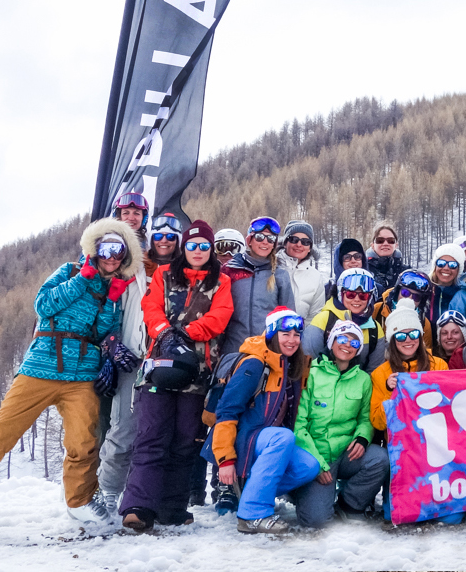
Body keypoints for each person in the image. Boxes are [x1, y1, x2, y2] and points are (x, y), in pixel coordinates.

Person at [0, 219, 139, 528]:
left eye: (119, 251)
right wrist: (82, 280)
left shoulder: (114, 292)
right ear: (95, 249)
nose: (112, 257)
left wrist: (111, 302)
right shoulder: (69, 272)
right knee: (0, 435)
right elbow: (43, 305)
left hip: (81, 376)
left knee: (83, 443)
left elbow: (104, 333)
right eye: (106, 249)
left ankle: (79, 500)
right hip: (40, 368)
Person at [119, 219, 234, 531]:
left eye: (204, 246)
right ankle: (139, 506)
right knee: (151, 436)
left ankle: (172, 508)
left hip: (198, 371)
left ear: (211, 250)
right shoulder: (165, 274)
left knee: (185, 441)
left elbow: (220, 316)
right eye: (192, 245)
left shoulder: (221, 281)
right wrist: (165, 333)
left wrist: (186, 333)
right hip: (158, 367)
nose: (197, 251)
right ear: (184, 247)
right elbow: (151, 307)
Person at [95, 211, 182, 513]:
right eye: (159, 236)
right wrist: (111, 343)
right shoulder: (131, 270)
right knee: (123, 429)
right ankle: (108, 490)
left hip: (166, 362)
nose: (164, 241)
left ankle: (148, 496)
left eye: (171, 237)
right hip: (131, 357)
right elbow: (108, 307)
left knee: (160, 432)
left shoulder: (183, 274)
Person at [210, 307, 319, 534]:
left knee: (308, 466)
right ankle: (252, 514)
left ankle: (251, 493)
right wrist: (225, 459)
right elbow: (227, 411)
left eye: (297, 335)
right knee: (283, 437)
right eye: (285, 334)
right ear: (271, 334)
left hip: (269, 442)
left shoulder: (293, 365)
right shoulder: (254, 364)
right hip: (245, 440)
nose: (292, 340)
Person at [290, 320, 389, 526]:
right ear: (332, 341)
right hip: (314, 455)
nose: (347, 345)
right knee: (316, 521)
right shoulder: (311, 372)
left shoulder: (363, 380)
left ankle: (349, 504)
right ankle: (301, 491)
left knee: (380, 459)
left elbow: (365, 418)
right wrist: (317, 465)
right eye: (342, 339)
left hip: (344, 453)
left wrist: (362, 438)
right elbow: (298, 424)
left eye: (354, 343)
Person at [369, 304, 448, 437]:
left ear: (420, 336)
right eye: (401, 336)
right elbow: (378, 423)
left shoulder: (439, 366)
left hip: (434, 439)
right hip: (401, 443)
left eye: (413, 334)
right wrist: (390, 393)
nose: (408, 340)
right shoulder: (380, 373)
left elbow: (449, 407)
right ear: (392, 340)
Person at [220, 218, 294, 355]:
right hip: (233, 348)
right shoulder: (230, 270)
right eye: (260, 237)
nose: (265, 242)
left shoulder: (280, 275)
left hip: (267, 350)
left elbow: (288, 318)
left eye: (271, 239)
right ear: (249, 240)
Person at [304, 268, 387, 370]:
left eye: (363, 296)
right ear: (341, 294)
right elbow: (308, 363)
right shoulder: (323, 320)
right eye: (350, 295)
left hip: (358, 380)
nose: (357, 299)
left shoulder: (374, 329)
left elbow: (374, 370)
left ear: (369, 298)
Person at [278, 220, 327, 320]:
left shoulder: (315, 277)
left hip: (301, 329)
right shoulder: (270, 268)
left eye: (305, 242)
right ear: (285, 243)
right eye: (294, 239)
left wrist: (305, 331)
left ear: (310, 248)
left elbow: (315, 315)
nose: (299, 244)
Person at [372, 269, 434, 341]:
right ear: (397, 292)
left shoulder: (424, 323)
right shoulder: (378, 310)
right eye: (405, 293)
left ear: (421, 302)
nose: (410, 298)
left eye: (416, 297)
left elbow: (426, 348)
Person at [426, 243, 466, 326]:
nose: (446, 268)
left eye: (452, 265)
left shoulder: (462, 295)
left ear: (458, 270)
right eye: (441, 263)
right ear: (435, 266)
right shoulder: (424, 290)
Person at [365, 222, 407, 299]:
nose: (385, 243)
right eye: (380, 240)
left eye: (391, 240)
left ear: (396, 245)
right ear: (372, 245)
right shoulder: (364, 270)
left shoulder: (406, 272)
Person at [326, 238, 366, 303]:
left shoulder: (374, 288)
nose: (353, 261)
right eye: (347, 257)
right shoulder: (328, 289)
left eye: (357, 256)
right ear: (340, 262)